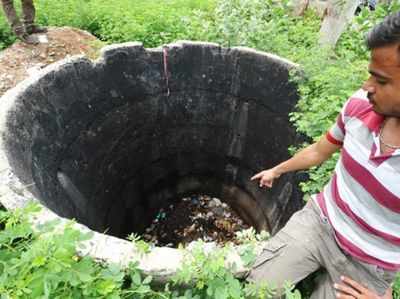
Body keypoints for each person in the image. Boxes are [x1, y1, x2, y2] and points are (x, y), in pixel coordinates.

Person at [247, 10, 400, 299]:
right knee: (257, 291)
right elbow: (319, 150)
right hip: (321, 222)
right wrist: (276, 170)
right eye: (370, 75)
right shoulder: (360, 107)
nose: (367, 87)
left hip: (369, 266)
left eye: (381, 81)